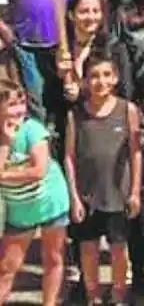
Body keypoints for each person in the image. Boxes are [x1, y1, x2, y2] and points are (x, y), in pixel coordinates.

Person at [64, 52, 142, 306]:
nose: (101, 81)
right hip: (88, 195)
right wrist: (74, 197)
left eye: (107, 74)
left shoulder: (127, 110)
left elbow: (136, 153)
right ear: (85, 81)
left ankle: (119, 292)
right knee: (88, 248)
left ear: (116, 78)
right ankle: (93, 294)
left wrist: (135, 191)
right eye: (94, 76)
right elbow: (69, 157)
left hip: (118, 194)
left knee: (119, 248)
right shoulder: (75, 115)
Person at [0, 81, 71, 306]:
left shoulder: (33, 130)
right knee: (7, 266)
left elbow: (38, 170)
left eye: (21, 103)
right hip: (20, 209)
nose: (19, 109)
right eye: (12, 104)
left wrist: (2, 176)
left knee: (53, 258)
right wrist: (6, 141)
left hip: (50, 201)